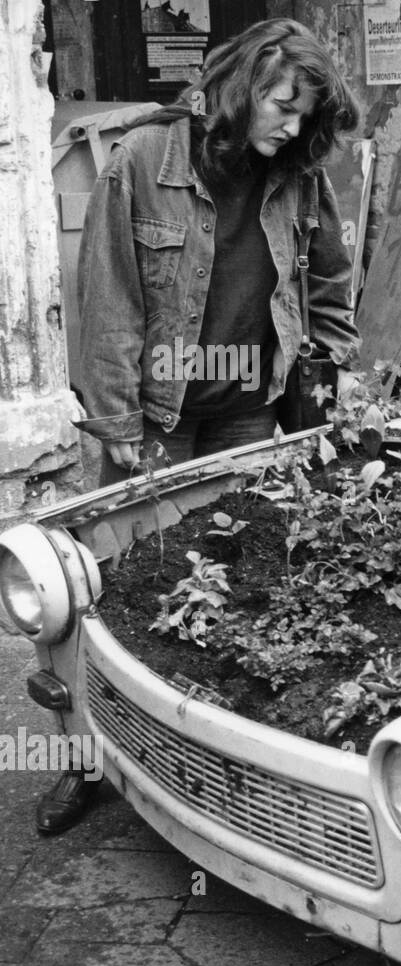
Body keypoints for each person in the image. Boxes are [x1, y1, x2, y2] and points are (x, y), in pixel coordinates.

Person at [38, 18, 362, 835]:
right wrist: (113, 416)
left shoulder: (298, 176)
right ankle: (85, 760)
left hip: (249, 416)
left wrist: (334, 372)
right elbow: (107, 297)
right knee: (113, 591)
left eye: (305, 115)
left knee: (231, 579)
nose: (292, 126)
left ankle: (210, 766)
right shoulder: (144, 161)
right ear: (241, 86)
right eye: (282, 106)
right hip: (157, 420)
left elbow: (328, 281)